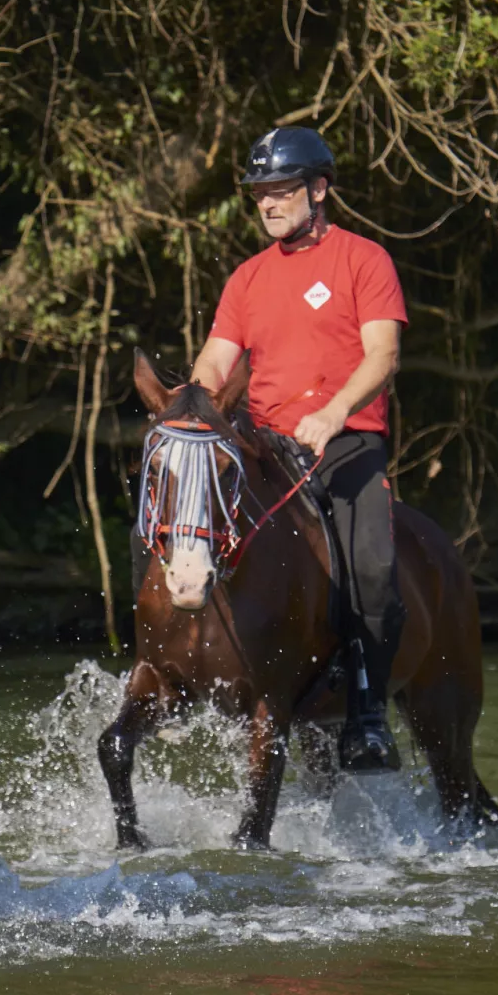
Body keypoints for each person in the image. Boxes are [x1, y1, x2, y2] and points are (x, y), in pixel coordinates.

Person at [189, 127, 408, 772]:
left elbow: (383, 356)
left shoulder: (363, 261)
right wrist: (189, 415)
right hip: (267, 450)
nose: (268, 203)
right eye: (260, 193)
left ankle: (368, 714)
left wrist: (333, 411)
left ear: (319, 189)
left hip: (345, 445)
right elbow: (215, 362)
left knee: (370, 564)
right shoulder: (248, 279)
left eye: (281, 190)